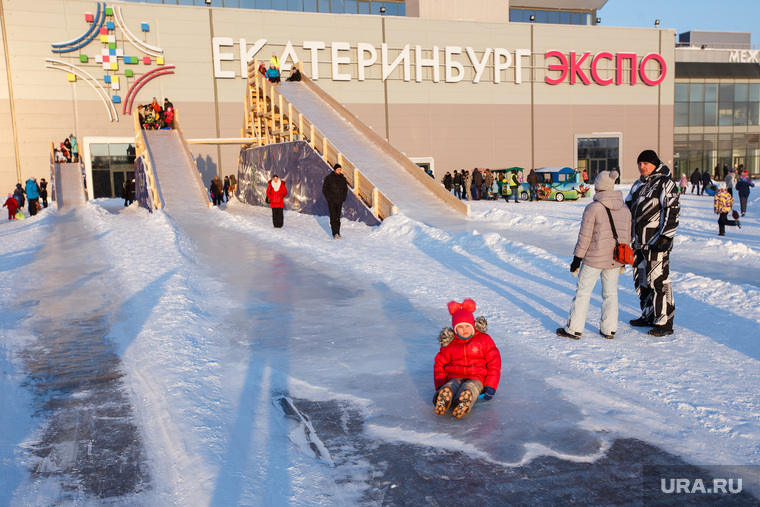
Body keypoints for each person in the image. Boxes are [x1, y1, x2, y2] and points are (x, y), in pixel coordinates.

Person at [557, 171, 631, 340]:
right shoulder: (625, 209)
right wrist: (623, 262)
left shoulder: (593, 208)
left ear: (598, 188)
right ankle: (609, 329)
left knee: (583, 292)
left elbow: (585, 237)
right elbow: (626, 236)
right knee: (611, 293)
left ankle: (574, 329)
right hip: (615, 259)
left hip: (594, 259)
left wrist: (577, 259)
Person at [625, 149, 680, 337]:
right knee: (641, 281)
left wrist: (666, 236)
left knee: (658, 280)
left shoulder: (666, 183)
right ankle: (648, 314)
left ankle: (664, 321)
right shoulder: (638, 184)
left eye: (646, 163)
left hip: (657, 243)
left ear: (655, 164)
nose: (642, 167)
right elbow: (626, 209)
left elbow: (672, 209)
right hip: (638, 243)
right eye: (640, 164)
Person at [433, 299, 501, 418]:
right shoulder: (450, 343)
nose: (464, 330)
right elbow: (439, 364)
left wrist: (490, 385)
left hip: (477, 377)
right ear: (454, 329)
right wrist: (441, 384)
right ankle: (444, 397)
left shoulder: (484, 340)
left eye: (467, 326)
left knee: (470, 387)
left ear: (473, 325)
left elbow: (494, 364)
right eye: (460, 327)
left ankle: (463, 402)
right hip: (455, 375)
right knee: (451, 385)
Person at [322, 163, 348, 239]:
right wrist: (329, 198)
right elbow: (325, 189)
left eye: (340, 169)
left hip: (339, 201)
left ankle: (338, 232)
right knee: (333, 217)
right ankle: (335, 233)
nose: (339, 171)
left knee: (338, 217)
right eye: (338, 169)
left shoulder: (343, 179)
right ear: (335, 170)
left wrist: (343, 198)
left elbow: (345, 190)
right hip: (332, 201)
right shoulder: (329, 178)